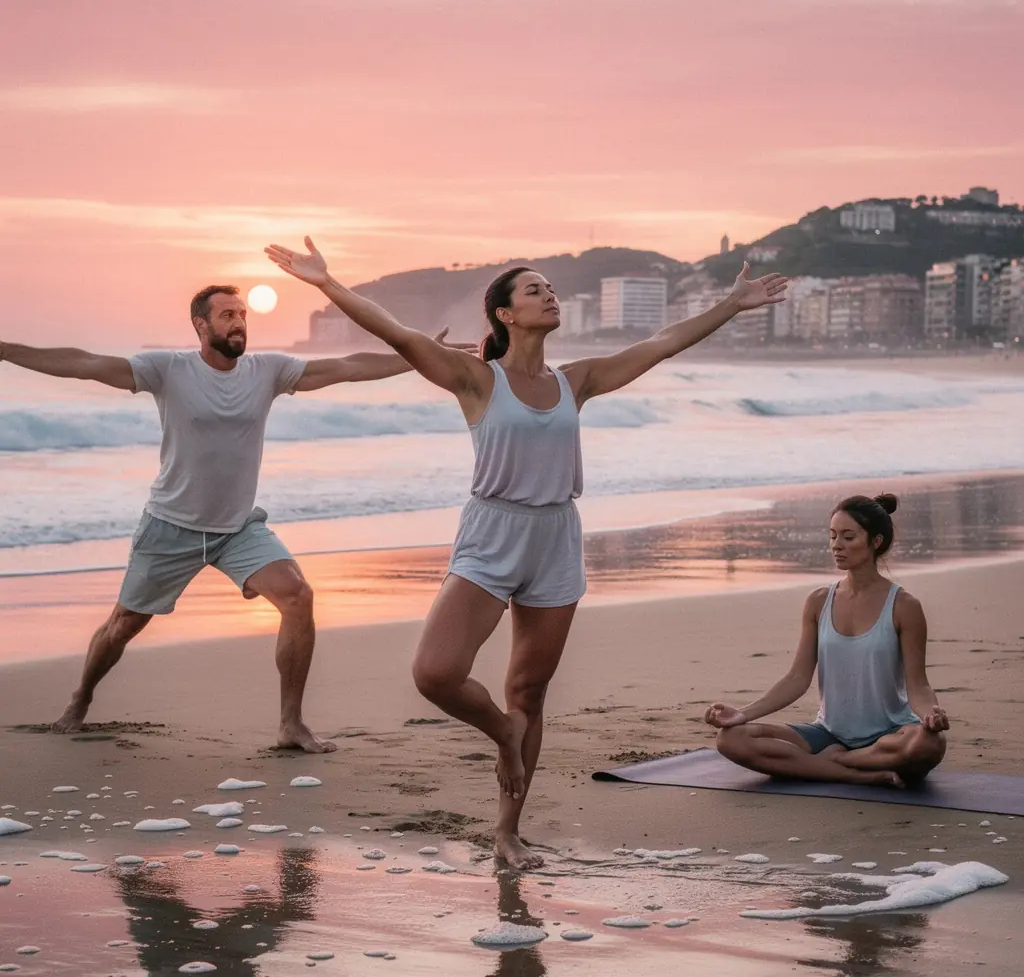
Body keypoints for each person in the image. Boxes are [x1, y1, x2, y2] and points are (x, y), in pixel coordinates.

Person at [266, 235, 788, 865]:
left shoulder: (578, 381)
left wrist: (731, 305)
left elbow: (660, 344)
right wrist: (327, 283)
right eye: (534, 289)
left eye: (551, 287)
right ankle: (503, 734)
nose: (549, 294)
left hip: (555, 537)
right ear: (505, 315)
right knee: (434, 673)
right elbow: (400, 334)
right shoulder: (476, 378)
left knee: (530, 692)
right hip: (492, 533)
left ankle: (508, 830)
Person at [0, 284, 472, 752]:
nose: (238, 322)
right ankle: (80, 698)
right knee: (123, 624)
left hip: (238, 528)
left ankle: (291, 724)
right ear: (200, 325)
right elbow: (85, 364)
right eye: (226, 315)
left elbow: (346, 368)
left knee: (298, 596)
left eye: (242, 313)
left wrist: (418, 354)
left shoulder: (267, 371)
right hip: (171, 524)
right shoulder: (167, 369)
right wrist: (6, 351)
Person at [705, 494, 949, 787]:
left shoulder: (904, 606)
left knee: (930, 746)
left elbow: (918, 685)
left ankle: (836, 763)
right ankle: (856, 773)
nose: (837, 545)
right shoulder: (819, 601)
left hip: (890, 734)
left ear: (876, 541)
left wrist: (930, 715)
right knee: (732, 739)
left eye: (848, 537)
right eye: (833, 536)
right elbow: (797, 678)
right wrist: (742, 714)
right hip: (828, 733)